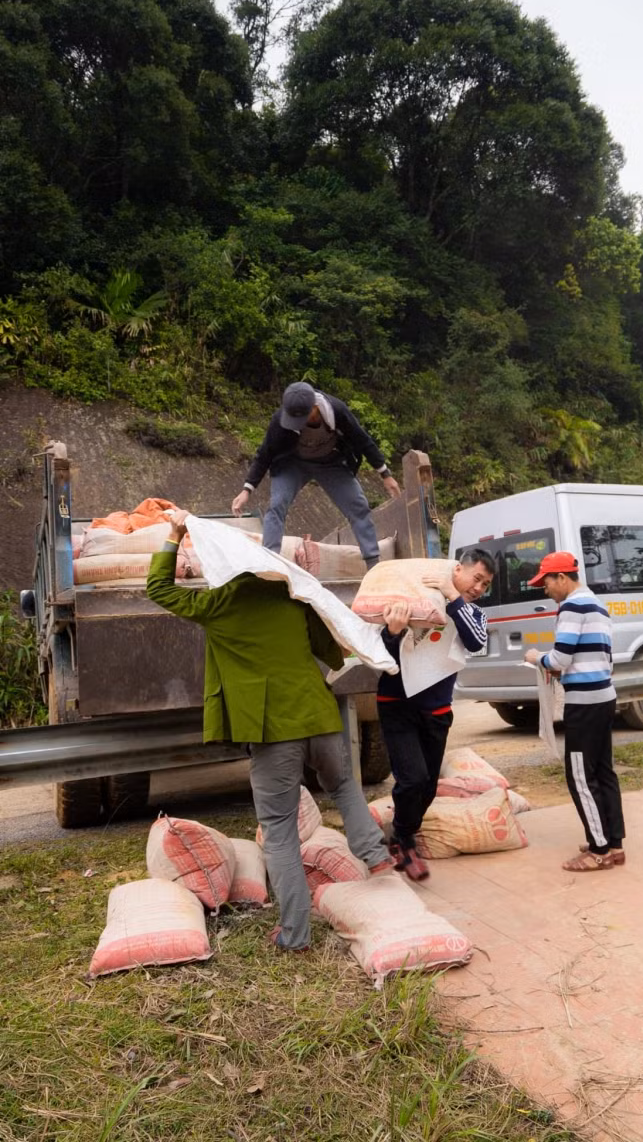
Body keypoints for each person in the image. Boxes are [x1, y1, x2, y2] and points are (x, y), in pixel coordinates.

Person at [147, 509, 393, 953]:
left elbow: (158, 588)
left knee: (279, 832)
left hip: (271, 729)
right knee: (343, 786)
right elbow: (329, 652)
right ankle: (375, 854)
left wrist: (173, 536)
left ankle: (294, 934)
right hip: (318, 715)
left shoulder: (218, 602)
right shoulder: (292, 592)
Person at [377, 550, 495, 879]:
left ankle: (403, 831)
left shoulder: (470, 612)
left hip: (438, 710)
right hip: (396, 704)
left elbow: (476, 641)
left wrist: (454, 595)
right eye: (476, 578)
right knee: (411, 777)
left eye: (485, 584)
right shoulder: (411, 600)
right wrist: (393, 631)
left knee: (428, 785)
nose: (479, 588)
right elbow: (380, 654)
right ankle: (403, 837)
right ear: (458, 569)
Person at [525, 551, 624, 872]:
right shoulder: (596, 603)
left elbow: (559, 660)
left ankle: (599, 850)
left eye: (547, 582)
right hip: (605, 696)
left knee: (580, 776)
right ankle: (614, 843)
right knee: (603, 772)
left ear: (563, 579)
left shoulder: (570, 607)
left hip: (584, 703)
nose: (546, 590)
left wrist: (536, 658)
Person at [231, 382, 402, 567]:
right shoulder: (281, 419)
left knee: (358, 505)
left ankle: (373, 563)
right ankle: (270, 564)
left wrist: (385, 474)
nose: (297, 424)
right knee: (277, 504)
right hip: (293, 463)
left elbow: (362, 441)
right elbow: (265, 453)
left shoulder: (337, 411)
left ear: (314, 407)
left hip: (330, 463)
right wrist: (247, 489)